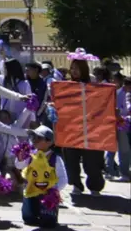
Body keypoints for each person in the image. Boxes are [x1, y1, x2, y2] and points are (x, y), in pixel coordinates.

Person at [62, 55, 106, 195]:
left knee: (92, 160)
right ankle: (76, 184)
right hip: (71, 129)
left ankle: (95, 186)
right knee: (71, 159)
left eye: (77, 68)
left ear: (84, 69)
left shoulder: (95, 85)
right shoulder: (65, 86)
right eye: (72, 68)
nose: (74, 71)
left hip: (91, 129)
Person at [15, 126, 67, 228]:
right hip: (31, 190)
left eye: (39, 138)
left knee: (48, 222)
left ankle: (48, 215)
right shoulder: (30, 154)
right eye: (33, 137)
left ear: (49, 142)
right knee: (29, 219)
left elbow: (63, 178)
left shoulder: (55, 158)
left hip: (47, 193)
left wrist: (54, 190)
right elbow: (19, 166)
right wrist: (20, 158)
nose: (34, 140)